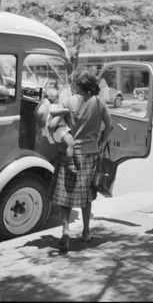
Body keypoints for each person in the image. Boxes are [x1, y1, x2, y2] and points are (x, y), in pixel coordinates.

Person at [48, 69, 113, 252]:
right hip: (89, 153)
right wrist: (100, 142)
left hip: (68, 152)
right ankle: (85, 232)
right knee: (86, 196)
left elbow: (54, 124)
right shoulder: (99, 103)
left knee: (66, 196)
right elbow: (110, 126)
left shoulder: (68, 102)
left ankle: (66, 232)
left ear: (78, 84)